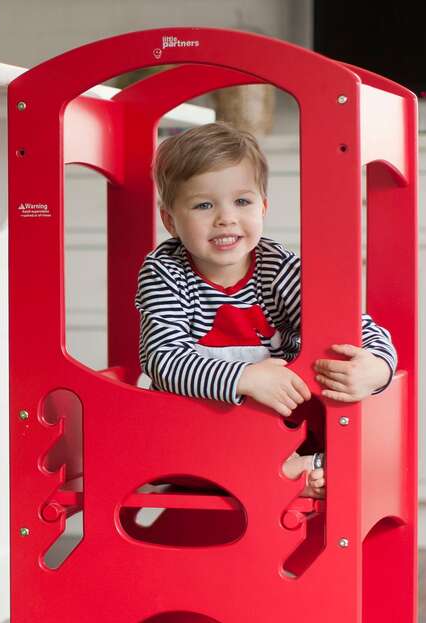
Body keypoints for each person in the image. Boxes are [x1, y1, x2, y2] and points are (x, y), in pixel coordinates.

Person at [135, 122, 397, 498]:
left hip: (279, 425)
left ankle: (293, 464)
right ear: (170, 220)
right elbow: (163, 359)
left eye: (241, 202)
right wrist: (245, 377)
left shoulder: (280, 267)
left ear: (263, 207)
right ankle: (284, 472)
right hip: (194, 435)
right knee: (180, 427)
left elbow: (352, 327)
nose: (225, 217)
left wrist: (377, 367)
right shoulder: (165, 271)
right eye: (204, 205)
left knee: (347, 400)